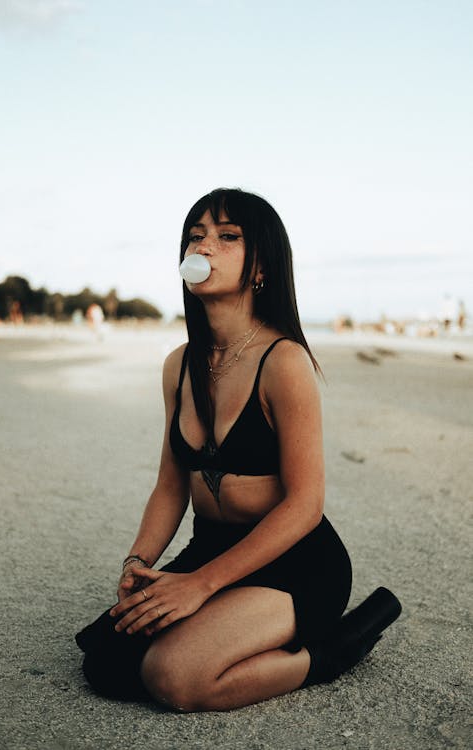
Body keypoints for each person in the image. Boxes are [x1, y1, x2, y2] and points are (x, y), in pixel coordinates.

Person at [76, 188, 401, 711]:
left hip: (295, 562)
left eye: (228, 237)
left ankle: (331, 652)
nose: (205, 245)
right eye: (196, 235)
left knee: (173, 676)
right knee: (105, 665)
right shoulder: (178, 367)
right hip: (212, 548)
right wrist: (139, 560)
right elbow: (169, 485)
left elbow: (304, 504)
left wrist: (199, 586)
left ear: (260, 268)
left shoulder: (284, 361)